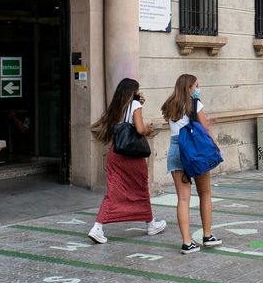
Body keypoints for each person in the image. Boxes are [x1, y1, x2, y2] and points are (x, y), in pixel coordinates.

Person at [86, 78, 166, 244]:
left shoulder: (116, 107)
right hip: (132, 158)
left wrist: (139, 104)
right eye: (138, 90)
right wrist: (148, 128)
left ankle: (98, 227)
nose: (140, 93)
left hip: (115, 155)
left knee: (113, 191)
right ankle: (151, 225)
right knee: (140, 189)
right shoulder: (135, 105)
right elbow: (140, 129)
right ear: (133, 92)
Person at [162, 74, 222, 254]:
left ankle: (187, 242)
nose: (198, 89)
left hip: (176, 149)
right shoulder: (196, 104)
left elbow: (181, 126)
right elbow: (205, 129)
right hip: (195, 151)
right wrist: (216, 145)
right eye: (196, 85)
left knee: (182, 198)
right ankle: (207, 236)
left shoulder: (170, 105)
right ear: (188, 88)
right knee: (205, 193)